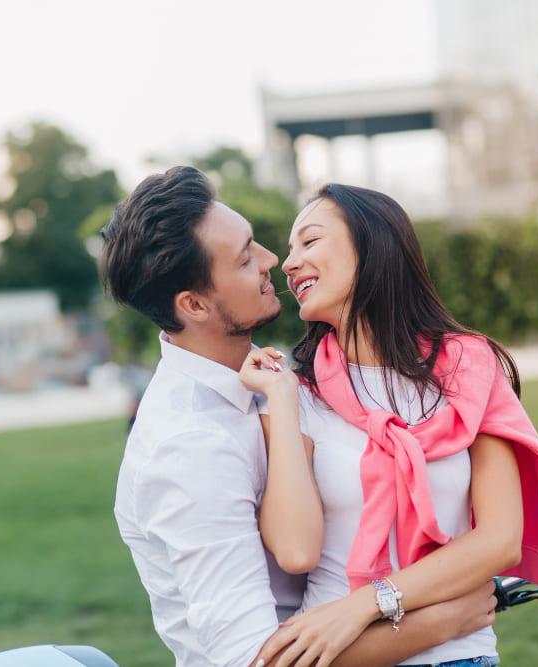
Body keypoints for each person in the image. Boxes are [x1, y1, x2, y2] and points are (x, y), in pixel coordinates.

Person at [101, 167, 498, 667]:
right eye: (246, 258)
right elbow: (254, 660)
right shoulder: (190, 444)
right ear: (195, 304)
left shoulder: (283, 385)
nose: (274, 261)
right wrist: (436, 625)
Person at [240, 184, 538, 667]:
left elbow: (499, 539)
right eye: (291, 251)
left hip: (455, 657)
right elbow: (294, 549)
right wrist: (283, 400)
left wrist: (363, 605)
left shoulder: (468, 369)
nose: (288, 264)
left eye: (308, 242)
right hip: (336, 654)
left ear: (374, 244)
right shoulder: (298, 393)